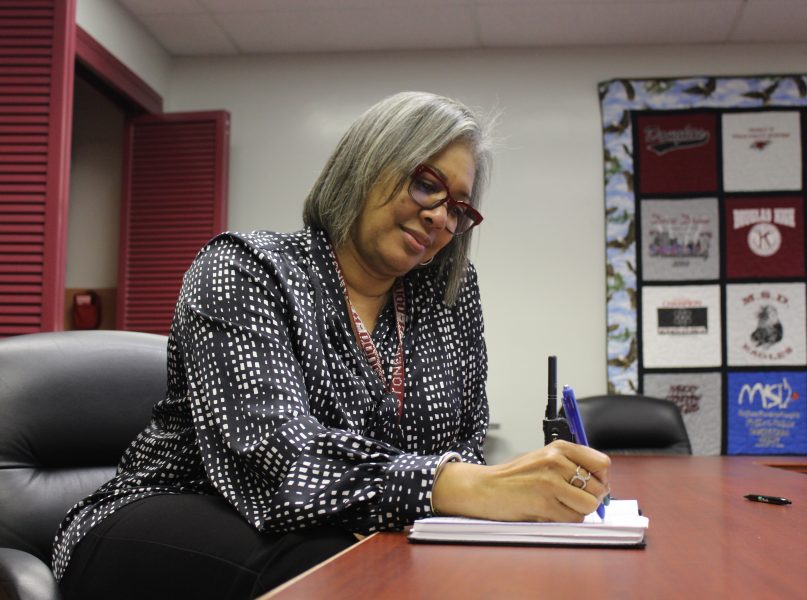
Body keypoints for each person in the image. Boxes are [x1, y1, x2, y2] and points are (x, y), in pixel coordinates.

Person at [52, 91, 610, 599]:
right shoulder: (245, 269)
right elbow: (280, 457)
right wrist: (454, 485)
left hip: (346, 531)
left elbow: (463, 443)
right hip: (173, 510)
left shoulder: (449, 299)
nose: (440, 216)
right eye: (425, 183)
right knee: (344, 572)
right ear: (366, 166)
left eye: (459, 209)